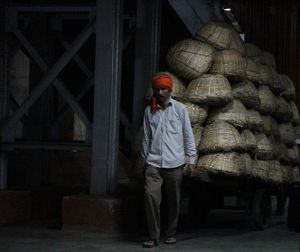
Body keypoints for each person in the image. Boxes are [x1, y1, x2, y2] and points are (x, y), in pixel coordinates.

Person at [141, 73, 197, 248]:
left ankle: (171, 233)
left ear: (169, 90)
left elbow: (188, 135)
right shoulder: (149, 111)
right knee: (150, 196)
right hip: (154, 163)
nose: (159, 92)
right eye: (157, 89)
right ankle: (153, 235)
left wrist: (192, 159)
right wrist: (145, 160)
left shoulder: (180, 109)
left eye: (163, 89)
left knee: (174, 200)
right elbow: (146, 138)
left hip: (175, 163)